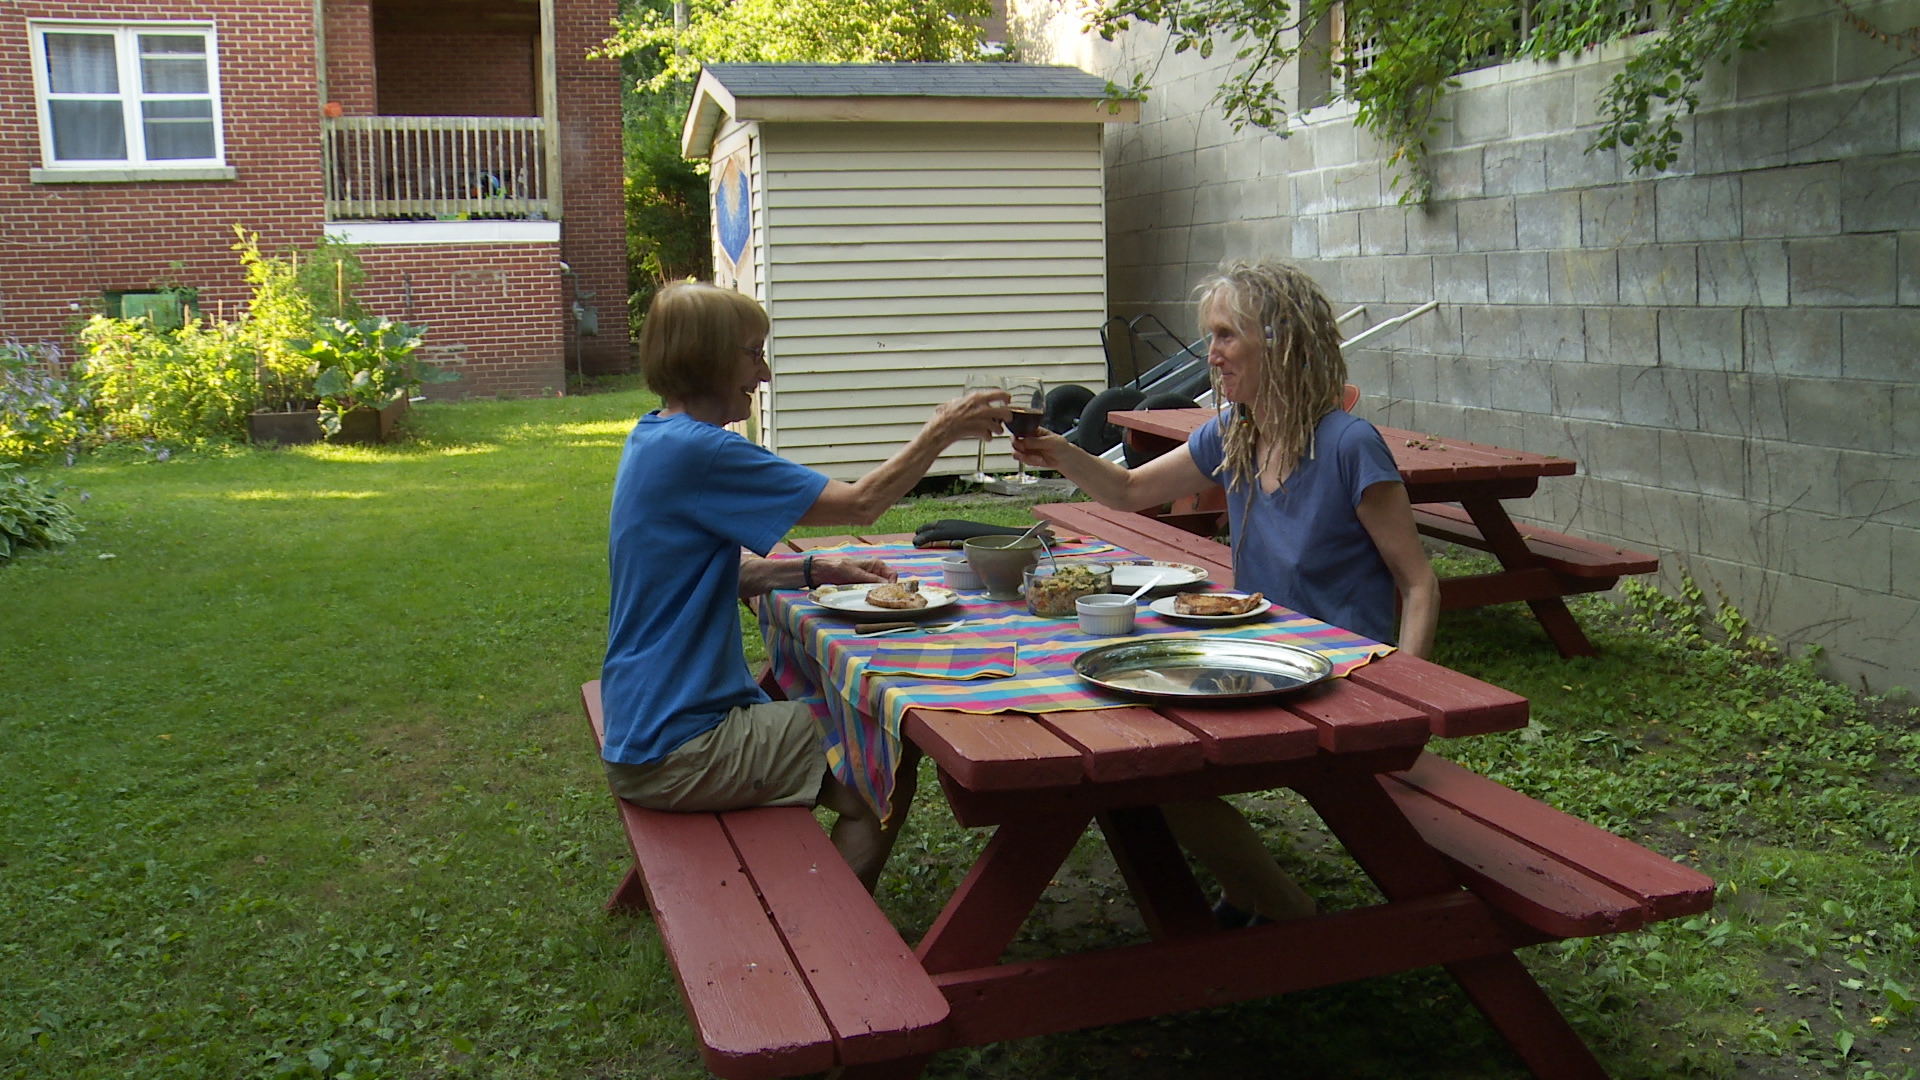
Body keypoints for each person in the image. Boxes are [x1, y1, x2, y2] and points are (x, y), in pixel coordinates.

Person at [1012, 259, 1440, 923]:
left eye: (1225, 336)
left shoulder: (1351, 445)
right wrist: (1058, 451)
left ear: (1280, 341)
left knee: (1145, 762)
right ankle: (1257, 896)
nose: (1211, 355)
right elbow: (1128, 491)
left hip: (1342, 679)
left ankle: (1284, 916)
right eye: (1211, 338)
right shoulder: (1235, 432)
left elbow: (1418, 583)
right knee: (1129, 748)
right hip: (1258, 663)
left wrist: (1406, 696)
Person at [601, 281, 1008, 891]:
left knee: (851, 720)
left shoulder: (654, 436)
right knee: (881, 761)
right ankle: (825, 946)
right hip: (678, 745)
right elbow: (862, 503)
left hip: (644, 720)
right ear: (709, 358)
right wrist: (943, 429)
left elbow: (708, 572)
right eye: (750, 354)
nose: (761, 373)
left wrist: (816, 571)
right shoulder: (702, 452)